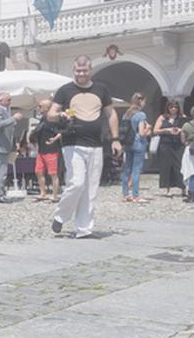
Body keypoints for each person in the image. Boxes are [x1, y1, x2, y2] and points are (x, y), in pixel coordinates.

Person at [51, 56, 119, 238]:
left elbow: (111, 114)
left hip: (96, 144)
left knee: (91, 188)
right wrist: (61, 115)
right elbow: (50, 113)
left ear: (90, 70)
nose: (81, 73)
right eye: (78, 70)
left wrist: (116, 138)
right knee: (77, 183)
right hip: (73, 143)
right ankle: (60, 215)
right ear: (74, 71)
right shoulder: (65, 90)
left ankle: (84, 229)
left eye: (85, 70)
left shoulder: (101, 89)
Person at [0, 92, 23, 204]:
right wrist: (13, 118)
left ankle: (0, 193)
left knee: (0, 170)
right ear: (1, 100)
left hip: (3, 145)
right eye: (8, 100)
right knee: (0, 171)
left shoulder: (4, 111)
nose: (10, 102)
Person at [30, 102, 66, 202]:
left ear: (47, 108)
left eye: (40, 106)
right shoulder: (43, 118)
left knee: (53, 173)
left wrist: (55, 138)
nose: (38, 108)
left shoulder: (56, 118)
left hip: (52, 149)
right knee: (38, 171)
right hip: (41, 149)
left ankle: (54, 196)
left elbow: (64, 130)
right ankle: (43, 193)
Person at [120, 93, 150, 203]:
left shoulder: (126, 114)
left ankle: (125, 194)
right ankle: (136, 195)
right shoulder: (141, 115)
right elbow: (142, 133)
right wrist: (148, 129)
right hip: (138, 143)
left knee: (127, 169)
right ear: (141, 101)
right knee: (136, 170)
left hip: (128, 143)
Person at [153, 100, 187, 198]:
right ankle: (168, 189)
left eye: (175, 107)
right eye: (171, 107)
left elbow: (187, 129)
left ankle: (183, 188)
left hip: (178, 145)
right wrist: (167, 130)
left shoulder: (182, 117)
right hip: (165, 144)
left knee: (180, 166)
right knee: (166, 166)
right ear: (167, 108)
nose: (173, 109)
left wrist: (180, 130)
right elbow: (155, 130)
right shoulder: (162, 117)